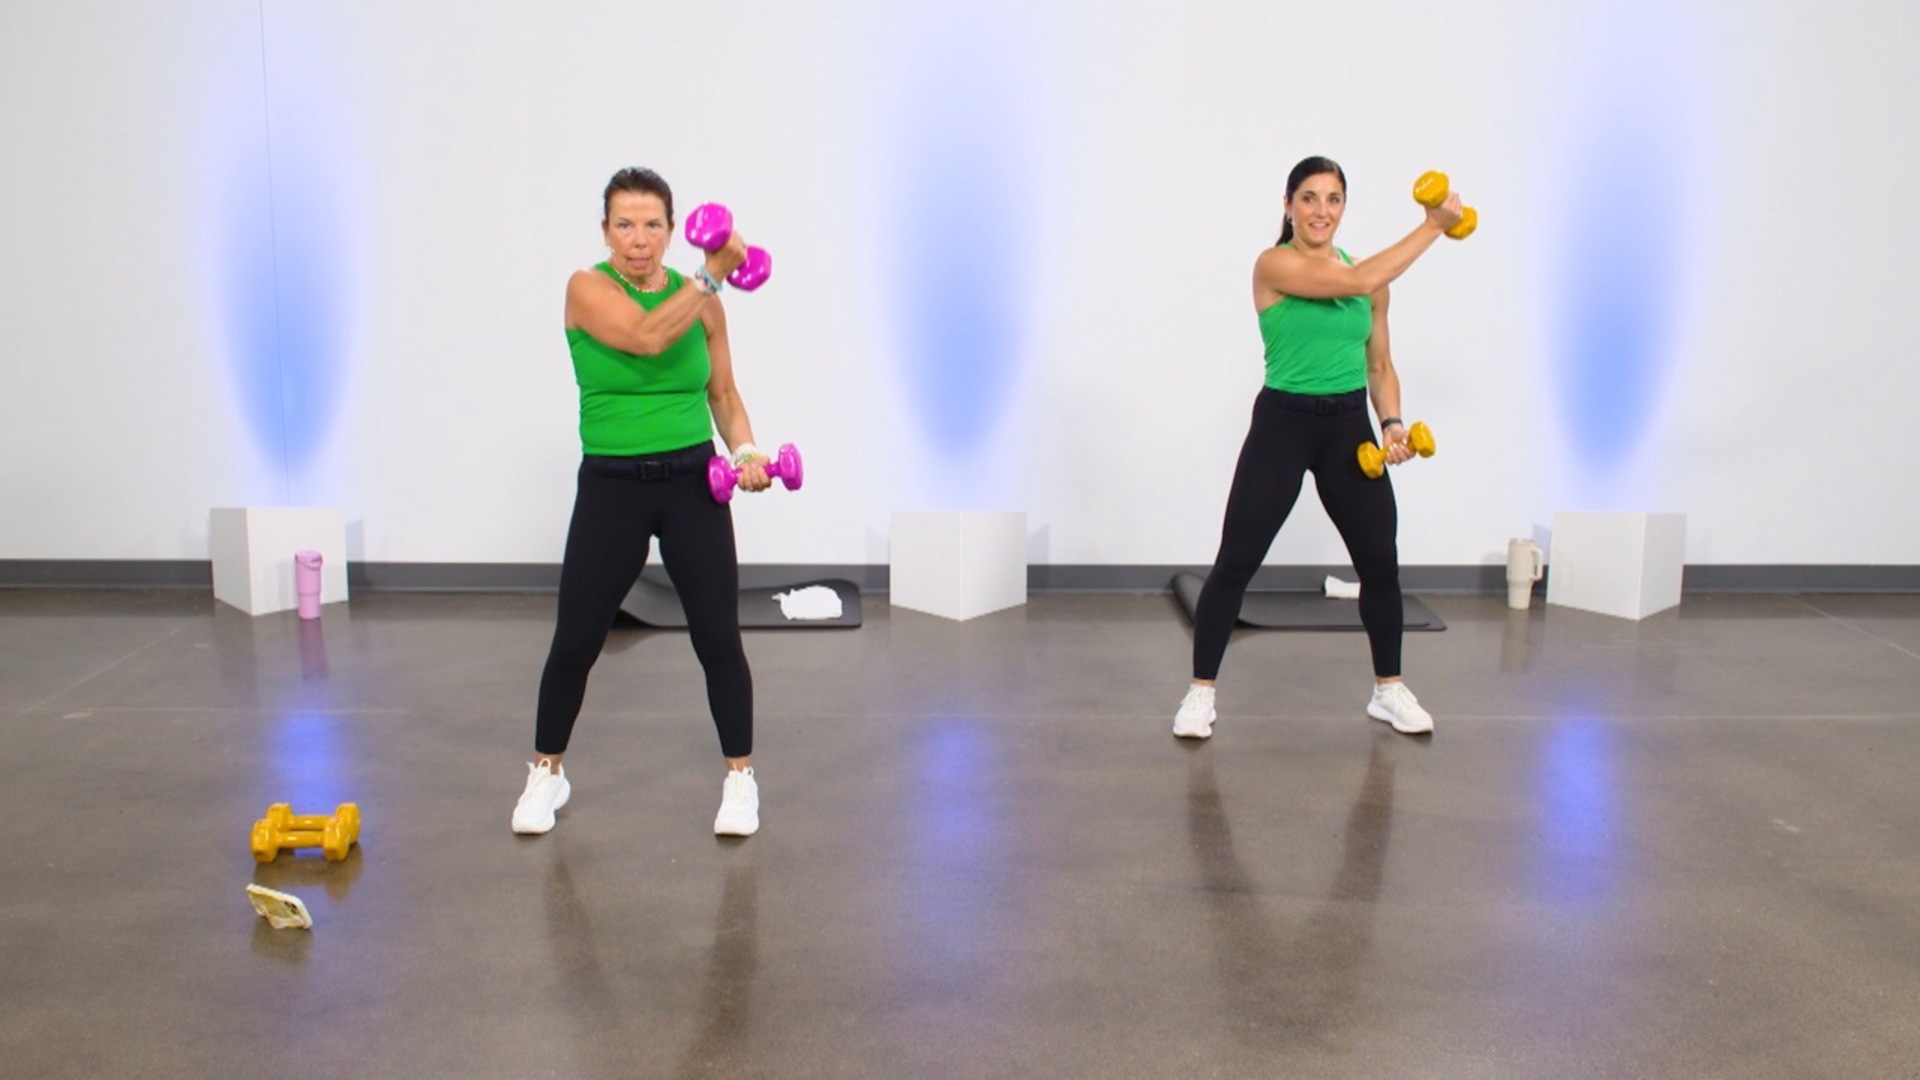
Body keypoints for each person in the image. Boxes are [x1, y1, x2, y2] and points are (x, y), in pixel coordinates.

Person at [513, 167, 772, 838]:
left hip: (692, 482)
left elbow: (723, 396)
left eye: (651, 224)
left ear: (671, 228)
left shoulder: (703, 301)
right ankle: (547, 771)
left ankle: (740, 779)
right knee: (576, 640)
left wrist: (745, 454)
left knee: (718, 638)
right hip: (611, 488)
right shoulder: (587, 288)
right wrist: (711, 277)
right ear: (606, 231)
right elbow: (647, 337)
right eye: (624, 224)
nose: (638, 239)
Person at [1175, 156, 1464, 740]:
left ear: (1343, 208)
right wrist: (1434, 226)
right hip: (1283, 424)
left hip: (1348, 427)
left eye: (1333, 199)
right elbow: (1356, 282)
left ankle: (1389, 690)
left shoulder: (1370, 278)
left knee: (1381, 563)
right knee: (1235, 563)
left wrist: (1392, 424)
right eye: (1308, 198)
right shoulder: (1274, 264)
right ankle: (1200, 694)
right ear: (1287, 206)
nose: (1321, 211)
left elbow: (1380, 364)